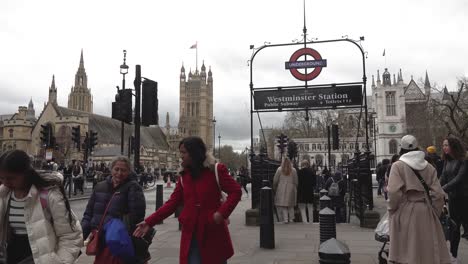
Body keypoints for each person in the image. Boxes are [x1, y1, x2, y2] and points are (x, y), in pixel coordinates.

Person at [133, 136, 241, 264]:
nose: (181, 156)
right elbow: (172, 204)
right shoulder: (184, 176)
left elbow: (236, 191)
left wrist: (221, 214)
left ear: (194, 152)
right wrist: (149, 222)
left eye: (184, 152)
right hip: (191, 233)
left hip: (212, 230)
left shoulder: (216, 170)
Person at [0, 150, 83, 264]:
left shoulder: (49, 196)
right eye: (2, 178)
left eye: (11, 178)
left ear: (25, 173)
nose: (5, 183)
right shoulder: (3, 195)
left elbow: (70, 236)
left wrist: (60, 262)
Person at [387, 135, 451, 264]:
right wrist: (435, 212)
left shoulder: (398, 166)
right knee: (427, 252)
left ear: (401, 149)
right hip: (426, 209)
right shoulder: (429, 167)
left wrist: (392, 209)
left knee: (408, 252)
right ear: (417, 147)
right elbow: (438, 194)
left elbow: (393, 192)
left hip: (405, 210)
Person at [81, 156, 146, 263]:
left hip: (117, 240)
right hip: (100, 239)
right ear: (111, 169)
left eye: (123, 170)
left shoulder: (133, 187)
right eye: (116, 169)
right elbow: (89, 213)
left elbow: (137, 217)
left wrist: (118, 223)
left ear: (129, 171)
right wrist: (82, 235)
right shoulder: (99, 187)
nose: (119, 173)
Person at [440, 136, 468, 258]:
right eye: (443, 145)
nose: (444, 147)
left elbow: (459, 179)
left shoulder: (464, 160)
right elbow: (442, 177)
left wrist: (443, 189)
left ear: (453, 146)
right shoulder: (447, 161)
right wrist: (434, 187)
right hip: (453, 199)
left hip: (465, 198)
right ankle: (453, 256)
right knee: (454, 229)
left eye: (447, 145)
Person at [273, 157, 298, 224]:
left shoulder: (279, 169)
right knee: (290, 205)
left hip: (281, 188)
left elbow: (275, 180)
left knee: (283, 205)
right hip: (291, 188)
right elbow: (296, 181)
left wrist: (275, 186)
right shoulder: (293, 170)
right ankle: (291, 219)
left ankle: (285, 219)